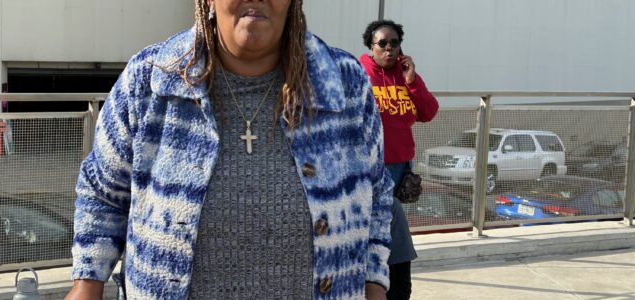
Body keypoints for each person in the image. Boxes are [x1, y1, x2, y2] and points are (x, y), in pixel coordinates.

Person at [65, 1, 395, 299]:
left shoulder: (345, 83)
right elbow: (102, 191)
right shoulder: (150, 80)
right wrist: (87, 284)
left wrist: (374, 284)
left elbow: (377, 192)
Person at [360, 20, 439, 300]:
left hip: (400, 168)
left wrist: (412, 81)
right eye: (382, 43)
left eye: (394, 43)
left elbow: (429, 111)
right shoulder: (360, 74)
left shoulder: (405, 76)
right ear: (371, 46)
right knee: (372, 230)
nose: (389, 49)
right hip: (370, 170)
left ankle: (394, 287)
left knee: (393, 228)